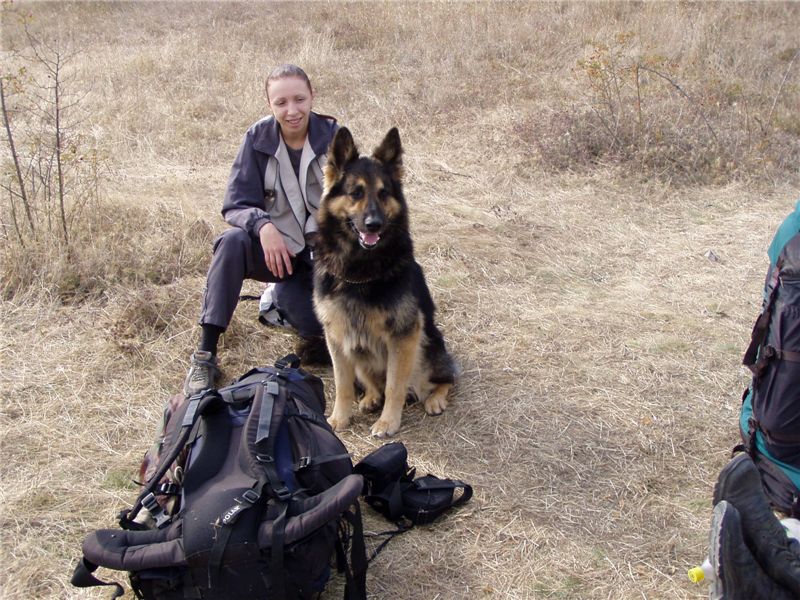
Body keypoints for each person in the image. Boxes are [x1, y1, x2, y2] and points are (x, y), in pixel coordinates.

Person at [184, 64, 336, 396]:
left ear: (312, 96)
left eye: (299, 99)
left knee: (315, 326)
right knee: (232, 241)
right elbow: (235, 203)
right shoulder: (257, 138)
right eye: (281, 102)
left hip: (326, 258)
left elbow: (357, 201)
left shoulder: (334, 135)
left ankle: (285, 303)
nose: (292, 111)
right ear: (269, 104)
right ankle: (205, 355)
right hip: (279, 254)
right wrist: (263, 225)